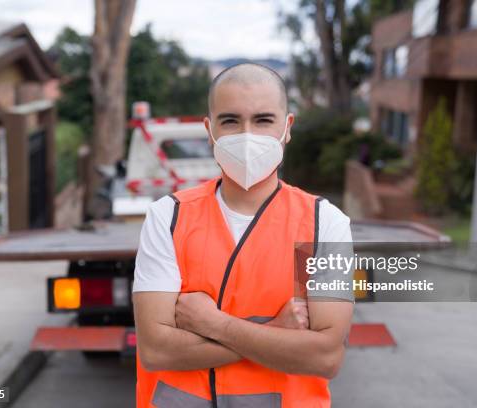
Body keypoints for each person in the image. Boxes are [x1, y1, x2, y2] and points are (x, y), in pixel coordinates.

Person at [132, 62, 354, 407]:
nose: (247, 135)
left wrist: (214, 324)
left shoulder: (325, 223)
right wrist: (277, 331)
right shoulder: (168, 217)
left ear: (287, 127)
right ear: (210, 130)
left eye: (263, 120)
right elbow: (155, 350)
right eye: (231, 120)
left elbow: (325, 358)